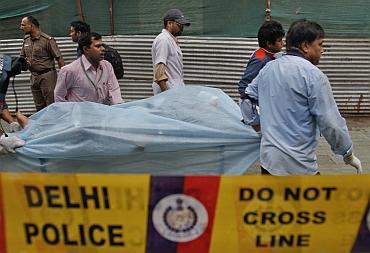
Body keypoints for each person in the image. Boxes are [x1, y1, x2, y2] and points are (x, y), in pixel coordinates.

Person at [246, 19, 362, 175]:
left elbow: (247, 97)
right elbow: (331, 123)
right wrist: (347, 153)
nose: (322, 50)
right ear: (305, 46)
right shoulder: (314, 76)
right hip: (298, 168)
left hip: (269, 164)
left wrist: (258, 124)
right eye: (320, 44)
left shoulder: (269, 68)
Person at [238, 20, 285, 130]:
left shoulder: (266, 54)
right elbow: (244, 85)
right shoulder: (260, 59)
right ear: (269, 44)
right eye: (279, 41)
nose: (282, 43)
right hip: (254, 107)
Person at [54, 32, 123, 105]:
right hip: (80, 115)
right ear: (86, 49)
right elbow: (59, 97)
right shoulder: (69, 70)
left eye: (102, 45)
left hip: (102, 113)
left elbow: (114, 90)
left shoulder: (107, 66)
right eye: (98, 46)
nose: (103, 49)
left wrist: (118, 109)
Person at [20, 16, 65, 111]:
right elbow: (22, 57)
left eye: (23, 25)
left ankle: (55, 125)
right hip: (34, 77)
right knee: (39, 106)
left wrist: (63, 78)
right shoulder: (26, 40)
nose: (21, 27)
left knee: (51, 104)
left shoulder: (47, 40)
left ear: (31, 26)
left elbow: (59, 59)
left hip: (47, 76)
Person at [151, 9, 190, 95]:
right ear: (169, 23)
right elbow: (159, 74)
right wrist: (167, 96)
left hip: (175, 91)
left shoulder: (171, 41)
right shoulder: (163, 40)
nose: (182, 28)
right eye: (179, 25)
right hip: (168, 95)